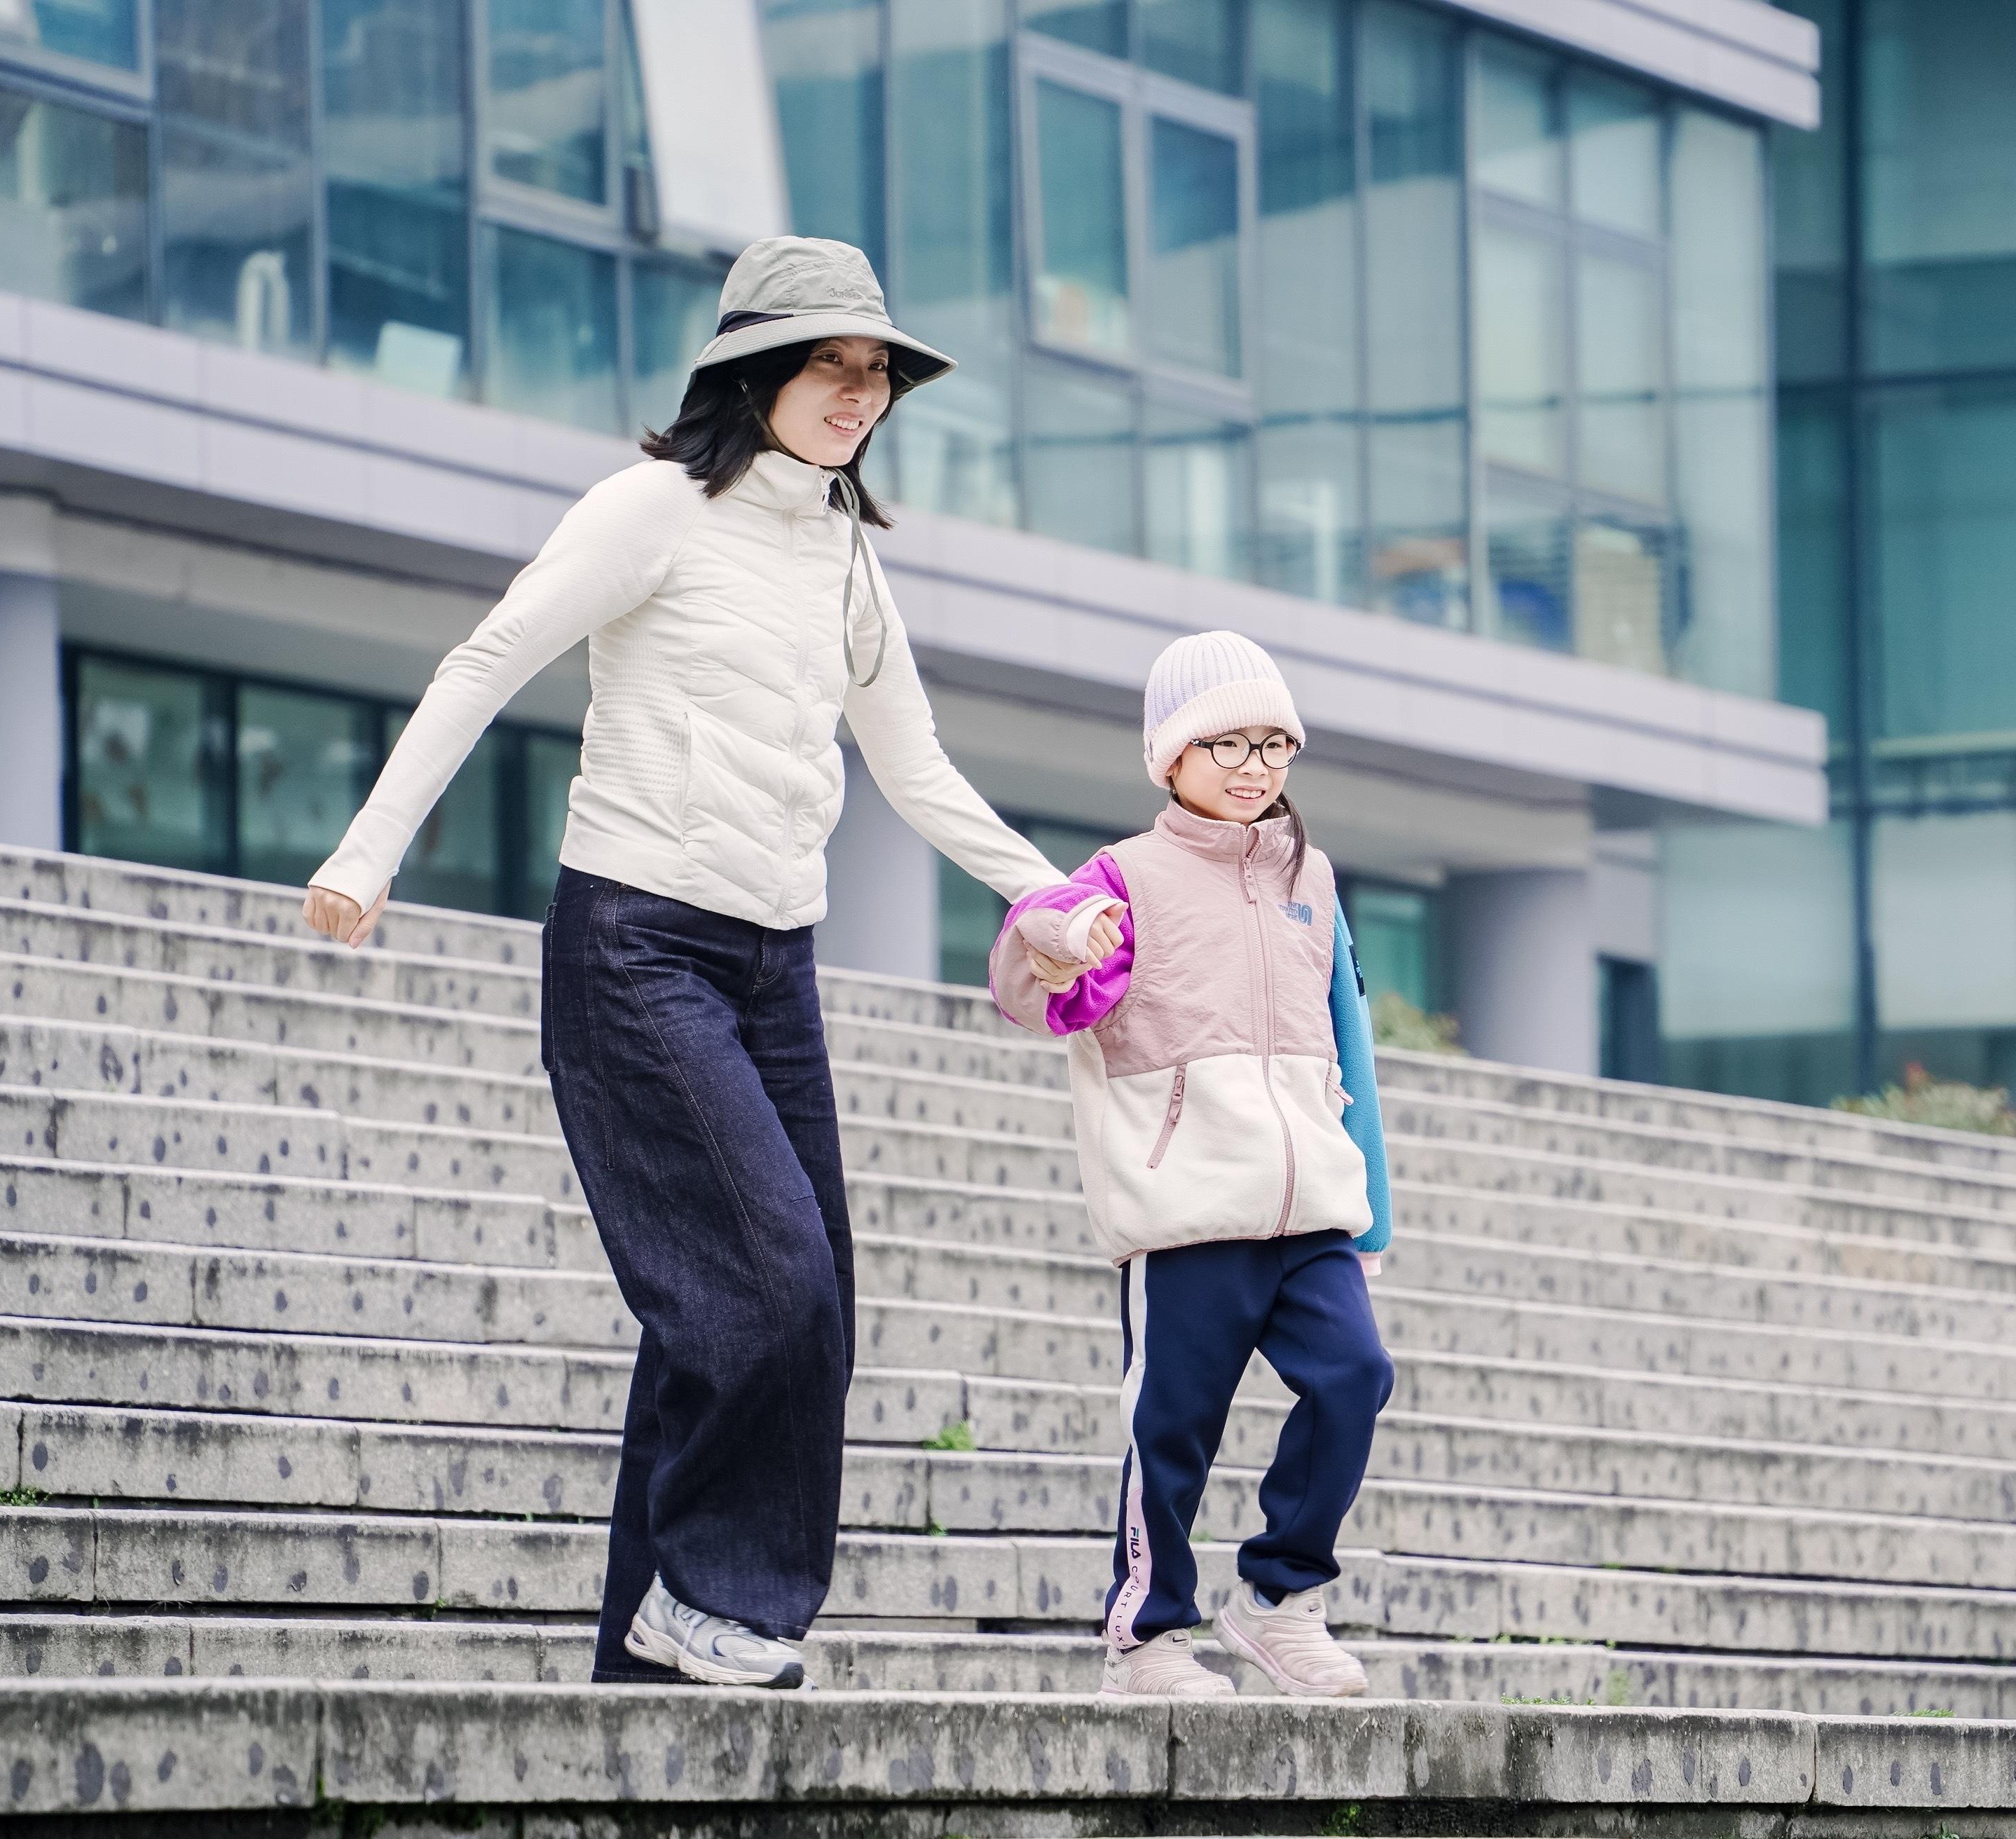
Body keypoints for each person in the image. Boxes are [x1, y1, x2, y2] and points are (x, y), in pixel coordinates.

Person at [300, 237, 1065, 1690]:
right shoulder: (654, 509)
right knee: (770, 1284)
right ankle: (727, 1603)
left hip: (774, 966)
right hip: (636, 945)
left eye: (879, 373)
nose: (862, 395)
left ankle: (644, 1666)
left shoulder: (842, 552)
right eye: (835, 366)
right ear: (754, 370)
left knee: (790, 1298)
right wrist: (367, 850)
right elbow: (490, 655)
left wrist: (1054, 897)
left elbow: (915, 767)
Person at [988, 630, 1397, 1700]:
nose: (1256, 766)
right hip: (1185, 1213)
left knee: (1358, 1377)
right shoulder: (1125, 876)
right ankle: (1148, 1637)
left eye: (1275, 744)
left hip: (1310, 1210)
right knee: (1171, 1427)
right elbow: (1030, 981)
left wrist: (1374, 1216)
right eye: (1227, 744)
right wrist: (1061, 941)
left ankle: (1277, 1601)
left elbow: (1348, 1044)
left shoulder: (1313, 875)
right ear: (1169, 757)